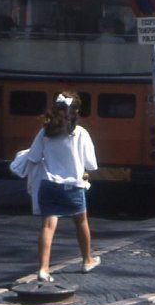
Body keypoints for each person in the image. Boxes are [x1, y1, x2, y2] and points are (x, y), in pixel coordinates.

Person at [13, 91, 100, 282]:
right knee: (81, 222)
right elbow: (92, 165)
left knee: (48, 226)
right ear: (76, 112)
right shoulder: (81, 134)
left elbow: (34, 157)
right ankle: (87, 260)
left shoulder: (45, 132)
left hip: (48, 185)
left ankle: (43, 269)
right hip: (73, 186)